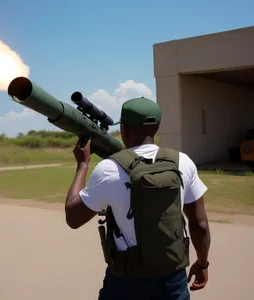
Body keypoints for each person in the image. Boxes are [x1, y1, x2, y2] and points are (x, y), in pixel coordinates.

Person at [65, 97, 211, 299]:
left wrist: (82, 164)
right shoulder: (183, 162)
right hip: (172, 279)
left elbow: (73, 218)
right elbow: (200, 224)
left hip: (126, 281)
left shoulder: (109, 168)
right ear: (156, 127)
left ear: (123, 129)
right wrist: (202, 264)